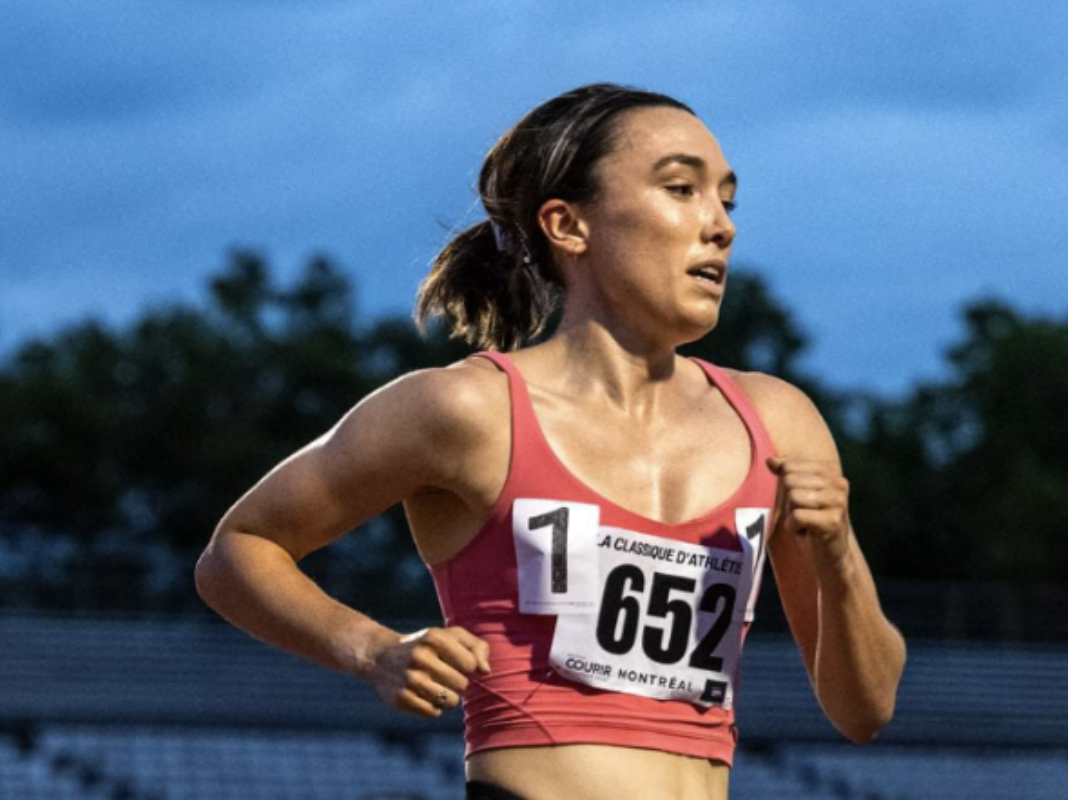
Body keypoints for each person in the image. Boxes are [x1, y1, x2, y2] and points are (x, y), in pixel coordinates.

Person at [195, 83, 906, 800]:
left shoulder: (778, 423)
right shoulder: (468, 410)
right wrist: (373, 650)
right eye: (682, 189)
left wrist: (839, 553)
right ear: (568, 226)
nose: (720, 225)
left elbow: (865, 709)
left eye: (727, 199)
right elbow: (237, 550)